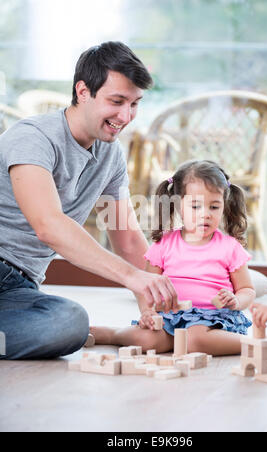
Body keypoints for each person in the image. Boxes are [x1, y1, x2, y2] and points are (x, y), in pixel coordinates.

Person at [0, 41, 178, 360]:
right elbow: (48, 225)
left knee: (67, 322)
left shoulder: (110, 155)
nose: (126, 116)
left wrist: (152, 308)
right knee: (69, 323)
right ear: (83, 91)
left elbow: (128, 241)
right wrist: (131, 277)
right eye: (117, 101)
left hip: (17, 288)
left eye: (135, 103)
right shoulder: (33, 138)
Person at [91, 160, 267, 356]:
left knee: (194, 340)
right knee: (148, 341)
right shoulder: (163, 244)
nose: (205, 214)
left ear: (224, 206)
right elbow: (147, 287)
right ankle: (112, 334)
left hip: (213, 321)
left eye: (214, 207)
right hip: (170, 317)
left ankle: (257, 343)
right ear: (179, 206)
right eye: (196, 206)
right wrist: (147, 312)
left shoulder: (230, 247)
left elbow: (247, 290)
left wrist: (235, 300)